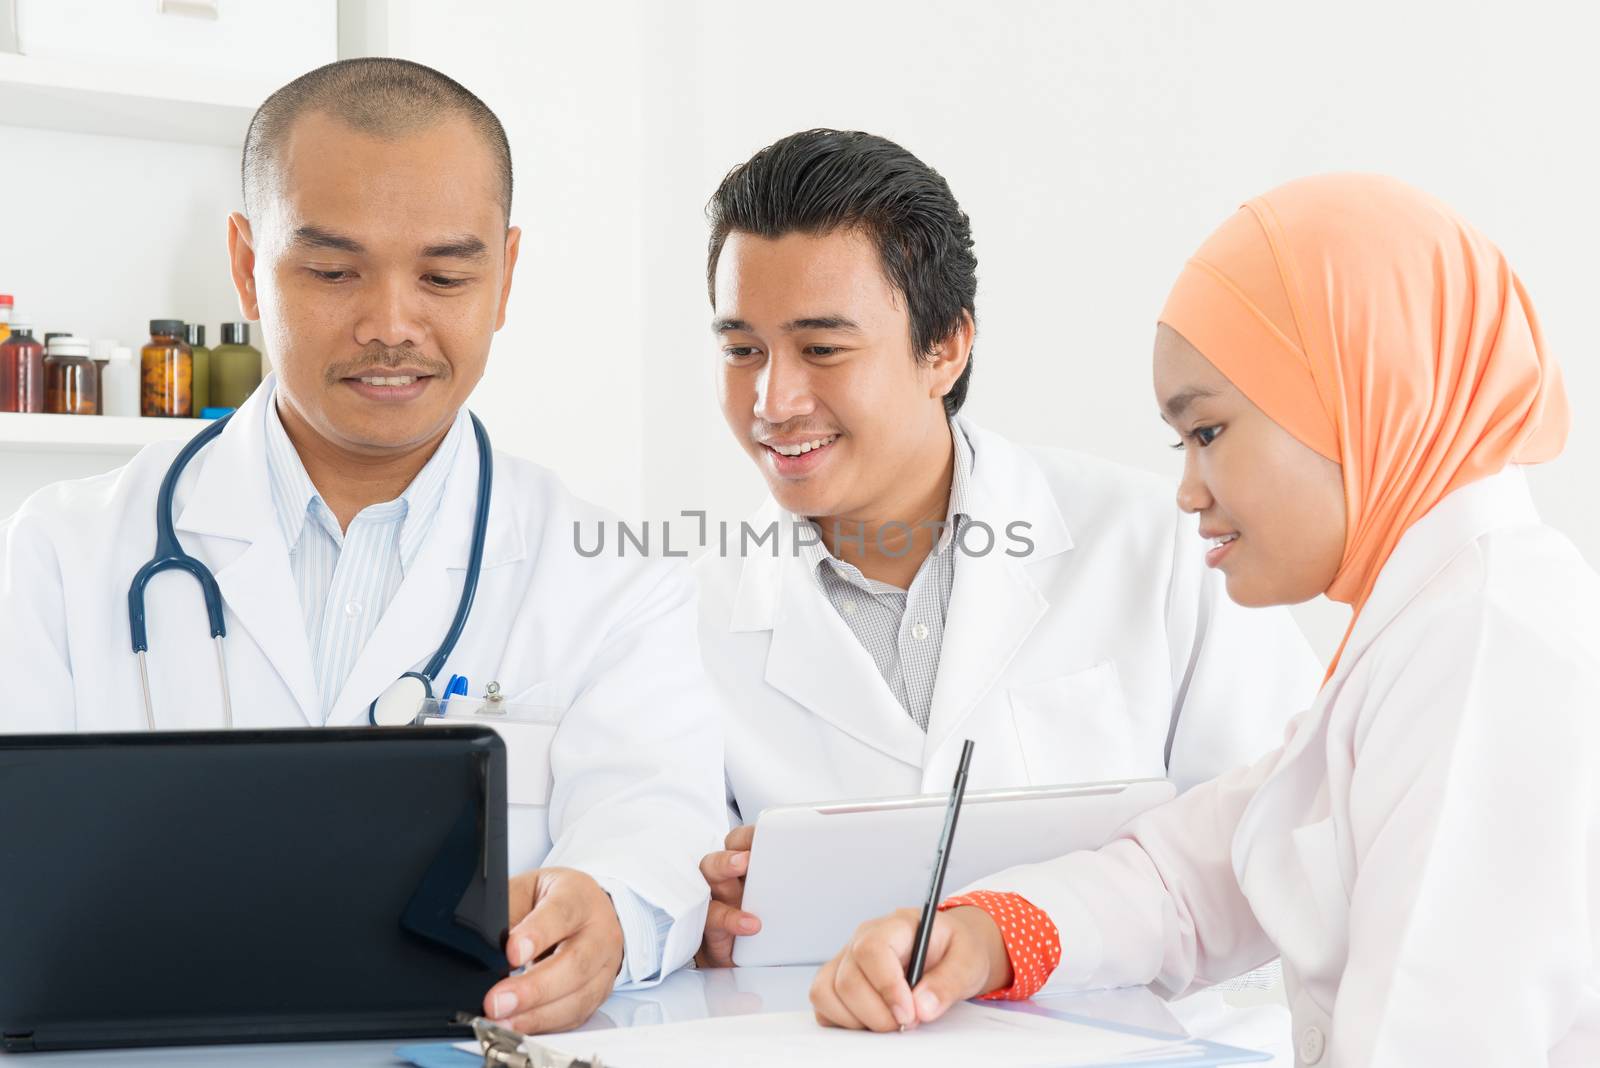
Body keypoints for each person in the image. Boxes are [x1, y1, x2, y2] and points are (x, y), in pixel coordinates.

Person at [0, 58, 726, 1035]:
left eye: (444, 275)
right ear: (246, 262)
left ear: (505, 276)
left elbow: (661, 819)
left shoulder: (612, 574)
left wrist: (606, 909)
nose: (391, 324)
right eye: (335, 271)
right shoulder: (60, 553)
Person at [809, 174, 1599, 1065]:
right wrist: (987, 937)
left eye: (1210, 433)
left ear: (1358, 394)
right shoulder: (1428, 626)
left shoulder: (1488, 643)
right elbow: (1199, 871)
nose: (1187, 491)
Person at [693, 129, 1321, 965]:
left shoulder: (1158, 544)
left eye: (822, 350)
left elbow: (1286, 835)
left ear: (945, 347)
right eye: (743, 351)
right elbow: (661, 859)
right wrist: (689, 909)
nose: (773, 399)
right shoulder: (685, 615)